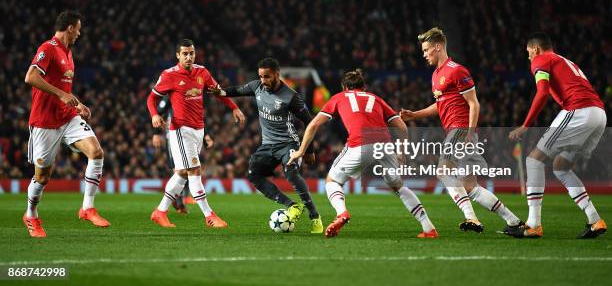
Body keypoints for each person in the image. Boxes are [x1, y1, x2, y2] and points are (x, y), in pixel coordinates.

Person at [401, 27, 522, 234]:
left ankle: (471, 218)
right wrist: (415, 115)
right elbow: (439, 106)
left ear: (438, 47)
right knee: (469, 187)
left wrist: (468, 132)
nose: (424, 54)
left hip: (460, 130)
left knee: (442, 171)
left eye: (426, 50)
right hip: (457, 131)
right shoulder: (436, 75)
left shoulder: (456, 70)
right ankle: (514, 222)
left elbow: (474, 104)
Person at [289, 70, 438, 238]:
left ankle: (342, 213)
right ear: (364, 87)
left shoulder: (339, 97)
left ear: (344, 87)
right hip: (385, 146)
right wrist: (401, 153)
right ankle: (429, 228)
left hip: (359, 144)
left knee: (332, 181)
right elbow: (402, 126)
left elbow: (314, 125)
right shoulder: (376, 99)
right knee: (398, 186)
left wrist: (301, 151)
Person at [508, 32, 607, 238]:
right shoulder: (564, 60)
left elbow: (542, 92)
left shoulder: (541, 59)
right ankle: (595, 220)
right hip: (599, 115)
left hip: (579, 111)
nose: (528, 57)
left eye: (528, 53)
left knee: (533, 160)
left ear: (535, 49)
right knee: (561, 167)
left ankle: (533, 224)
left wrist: (525, 125)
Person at [210, 58, 323, 233]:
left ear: (277, 75)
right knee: (253, 174)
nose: (263, 81)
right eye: (261, 76)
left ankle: (315, 217)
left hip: (288, 143)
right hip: (268, 145)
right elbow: (237, 90)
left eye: (267, 77)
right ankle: (292, 206)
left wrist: (308, 150)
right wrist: (221, 93)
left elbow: (310, 122)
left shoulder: (291, 96)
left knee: (291, 171)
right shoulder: (257, 87)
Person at [23, 11, 110, 238]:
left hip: (67, 117)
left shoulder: (69, 54)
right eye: (78, 29)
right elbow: (30, 77)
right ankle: (31, 215)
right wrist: (62, 95)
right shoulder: (48, 48)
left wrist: (78, 104)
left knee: (96, 152)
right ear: (70, 28)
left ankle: (87, 208)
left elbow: (65, 90)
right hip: (44, 121)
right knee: (42, 177)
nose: (80, 33)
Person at [147, 39, 245, 228]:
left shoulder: (203, 72)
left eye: (191, 53)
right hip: (180, 130)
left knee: (182, 173)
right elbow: (151, 98)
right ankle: (209, 216)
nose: (189, 57)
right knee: (194, 170)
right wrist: (154, 116)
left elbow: (218, 92)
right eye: (185, 54)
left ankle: (160, 212)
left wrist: (234, 107)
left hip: (198, 129)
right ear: (178, 56)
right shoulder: (169, 75)